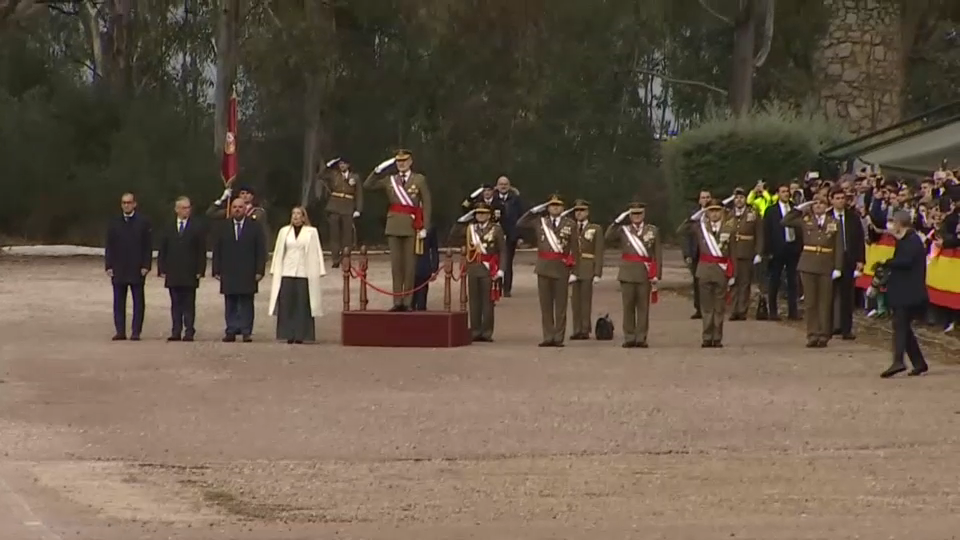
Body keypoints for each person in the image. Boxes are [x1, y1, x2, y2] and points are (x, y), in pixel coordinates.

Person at [363, 149, 432, 312]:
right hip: (393, 226)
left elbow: (427, 204)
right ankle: (397, 301)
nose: (401, 164)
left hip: (411, 226)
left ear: (410, 162)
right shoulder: (390, 180)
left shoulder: (419, 179)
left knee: (410, 267)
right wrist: (378, 170)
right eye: (398, 161)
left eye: (404, 161)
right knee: (396, 267)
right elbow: (368, 185)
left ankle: (407, 302)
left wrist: (425, 227)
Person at [517, 194, 579, 347]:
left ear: (563, 208)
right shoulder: (540, 222)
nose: (555, 207)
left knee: (560, 306)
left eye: (558, 205)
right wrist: (535, 210)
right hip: (543, 267)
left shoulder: (570, 224)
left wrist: (575, 271)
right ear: (547, 208)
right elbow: (521, 223)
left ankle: (558, 337)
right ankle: (548, 336)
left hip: (561, 268)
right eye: (552, 205)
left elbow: (575, 249)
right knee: (545, 305)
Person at [782, 196, 843, 348]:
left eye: (821, 203)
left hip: (826, 264)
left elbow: (839, 247)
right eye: (815, 203)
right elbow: (785, 221)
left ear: (827, 206)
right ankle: (812, 334)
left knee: (824, 302)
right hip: (808, 264)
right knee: (810, 302)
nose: (818, 206)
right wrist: (800, 207)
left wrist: (838, 267)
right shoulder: (805, 220)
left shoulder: (834, 223)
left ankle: (823, 334)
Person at [880, 210, 930, 378]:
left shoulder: (912, 240)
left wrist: (887, 263)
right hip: (905, 291)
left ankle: (898, 360)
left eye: (893, 222)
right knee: (903, 327)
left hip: (908, 292)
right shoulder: (906, 239)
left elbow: (906, 261)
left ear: (899, 223)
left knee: (900, 325)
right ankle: (919, 362)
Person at [604, 202, 661, 348]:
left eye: (639, 214)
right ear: (629, 216)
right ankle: (629, 337)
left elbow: (658, 255)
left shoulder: (652, 231)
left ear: (644, 214)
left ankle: (641, 337)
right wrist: (617, 220)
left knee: (643, 308)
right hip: (627, 273)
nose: (637, 217)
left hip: (644, 273)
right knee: (628, 307)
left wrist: (657, 275)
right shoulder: (624, 230)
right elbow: (608, 236)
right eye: (634, 214)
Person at [268, 206, 326, 344]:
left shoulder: (311, 232)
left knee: (302, 304)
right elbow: (278, 251)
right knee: (287, 303)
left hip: (304, 272)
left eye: (298, 214)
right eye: (293, 213)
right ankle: (288, 333)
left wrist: (319, 270)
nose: (295, 216)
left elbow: (317, 251)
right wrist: (275, 269)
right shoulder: (284, 231)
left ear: (304, 217)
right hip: (287, 271)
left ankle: (301, 334)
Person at [212, 198, 267, 342]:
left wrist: (259, 270)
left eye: (240, 207)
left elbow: (261, 250)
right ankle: (230, 330)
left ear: (245, 209)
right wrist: (216, 269)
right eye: (235, 207)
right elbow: (217, 249)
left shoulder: (254, 227)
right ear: (231, 209)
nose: (237, 209)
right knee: (230, 302)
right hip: (228, 270)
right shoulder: (223, 226)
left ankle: (246, 331)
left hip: (248, 271)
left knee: (246, 302)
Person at [449, 202, 507, 341]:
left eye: (483, 213)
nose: (480, 216)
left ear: (489, 215)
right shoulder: (470, 228)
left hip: (489, 268)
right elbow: (454, 234)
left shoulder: (496, 229)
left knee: (488, 302)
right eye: (477, 213)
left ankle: (486, 332)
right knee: (474, 302)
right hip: (474, 267)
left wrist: (502, 270)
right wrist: (464, 218)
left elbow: (503, 251)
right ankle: (475, 331)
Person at [157, 196, 206, 342]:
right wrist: (162, 268)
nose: (186, 210)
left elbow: (200, 250)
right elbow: (163, 249)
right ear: (176, 209)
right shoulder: (168, 226)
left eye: (188, 207)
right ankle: (176, 331)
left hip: (190, 272)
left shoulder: (196, 227)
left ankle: (189, 330)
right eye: (183, 208)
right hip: (173, 271)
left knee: (189, 304)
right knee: (175, 304)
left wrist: (200, 270)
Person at [105, 192, 153, 341]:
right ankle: (120, 331)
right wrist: (109, 265)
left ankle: (136, 331)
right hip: (119, 268)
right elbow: (110, 245)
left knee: (138, 301)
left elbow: (148, 246)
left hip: (137, 268)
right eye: (124, 203)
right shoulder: (114, 222)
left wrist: (146, 265)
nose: (126, 205)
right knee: (118, 302)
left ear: (134, 204)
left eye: (129, 202)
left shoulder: (143, 222)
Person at [692, 198, 735, 348]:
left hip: (721, 271)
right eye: (711, 211)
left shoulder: (729, 228)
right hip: (704, 271)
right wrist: (699, 214)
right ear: (707, 213)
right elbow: (682, 229)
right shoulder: (700, 228)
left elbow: (733, 253)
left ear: (722, 212)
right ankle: (706, 336)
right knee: (706, 307)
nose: (715, 214)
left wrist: (732, 274)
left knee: (719, 307)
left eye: (717, 211)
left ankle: (717, 337)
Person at [762, 184, 802, 321]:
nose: (786, 194)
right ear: (778, 194)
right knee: (775, 280)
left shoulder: (796, 209)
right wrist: (767, 250)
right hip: (777, 248)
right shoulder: (771, 210)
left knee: (793, 280)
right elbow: (766, 231)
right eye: (783, 191)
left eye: (787, 191)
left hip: (793, 247)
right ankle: (773, 311)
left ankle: (793, 311)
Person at [830, 189, 865, 339]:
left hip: (849, 259)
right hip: (830, 260)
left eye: (842, 198)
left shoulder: (853, 218)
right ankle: (830, 325)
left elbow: (859, 240)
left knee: (847, 296)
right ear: (831, 200)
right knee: (830, 294)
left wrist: (861, 260)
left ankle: (846, 329)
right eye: (837, 198)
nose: (840, 201)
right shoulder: (826, 217)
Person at [315, 157, 362, 268]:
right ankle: (335, 259)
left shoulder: (355, 177)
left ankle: (346, 258)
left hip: (348, 206)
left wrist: (358, 209)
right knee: (334, 234)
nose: (342, 166)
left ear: (348, 165)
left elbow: (359, 194)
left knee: (347, 235)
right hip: (334, 206)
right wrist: (329, 164)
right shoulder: (333, 174)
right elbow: (320, 176)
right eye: (340, 164)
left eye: (344, 164)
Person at [568, 199, 604, 340]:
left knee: (585, 300)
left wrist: (597, 273)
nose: (579, 213)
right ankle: (576, 329)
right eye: (577, 210)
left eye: (582, 210)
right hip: (573, 266)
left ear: (587, 212)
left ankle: (584, 329)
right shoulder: (570, 228)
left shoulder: (595, 229)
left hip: (588, 266)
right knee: (574, 300)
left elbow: (599, 251)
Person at [728, 188, 763, 320]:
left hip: (747, 252)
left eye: (741, 197)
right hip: (732, 252)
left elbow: (759, 234)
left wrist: (758, 252)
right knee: (733, 282)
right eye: (736, 198)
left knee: (744, 283)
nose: (739, 200)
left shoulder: (753, 214)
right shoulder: (729, 214)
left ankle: (742, 310)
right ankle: (733, 309)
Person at [681, 189, 712, 319]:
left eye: (707, 197)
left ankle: (710, 308)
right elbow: (685, 234)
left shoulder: (715, 213)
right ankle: (699, 309)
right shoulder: (693, 215)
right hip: (696, 253)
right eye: (703, 197)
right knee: (697, 282)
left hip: (711, 253)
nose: (705, 200)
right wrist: (687, 254)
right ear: (699, 200)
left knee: (711, 281)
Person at [207, 184, 271, 246]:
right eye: (242, 193)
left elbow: (261, 231)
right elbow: (211, 213)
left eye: (248, 193)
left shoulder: (258, 211)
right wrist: (222, 199)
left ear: (252, 196)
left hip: (249, 245)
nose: (245, 196)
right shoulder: (231, 211)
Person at [492, 176, 524, 297]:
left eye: (505, 184)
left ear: (509, 186)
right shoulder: (493, 200)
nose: (503, 186)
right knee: (496, 261)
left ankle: (507, 289)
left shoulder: (516, 200)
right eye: (501, 184)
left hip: (511, 236)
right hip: (496, 236)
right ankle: (497, 287)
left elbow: (521, 218)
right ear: (497, 186)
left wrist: (520, 236)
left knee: (508, 262)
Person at [411, 225, 440, 311]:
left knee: (421, 304)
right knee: (408, 304)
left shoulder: (429, 227)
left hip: (423, 268)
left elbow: (434, 248)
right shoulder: (406, 225)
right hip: (409, 268)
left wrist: (434, 268)